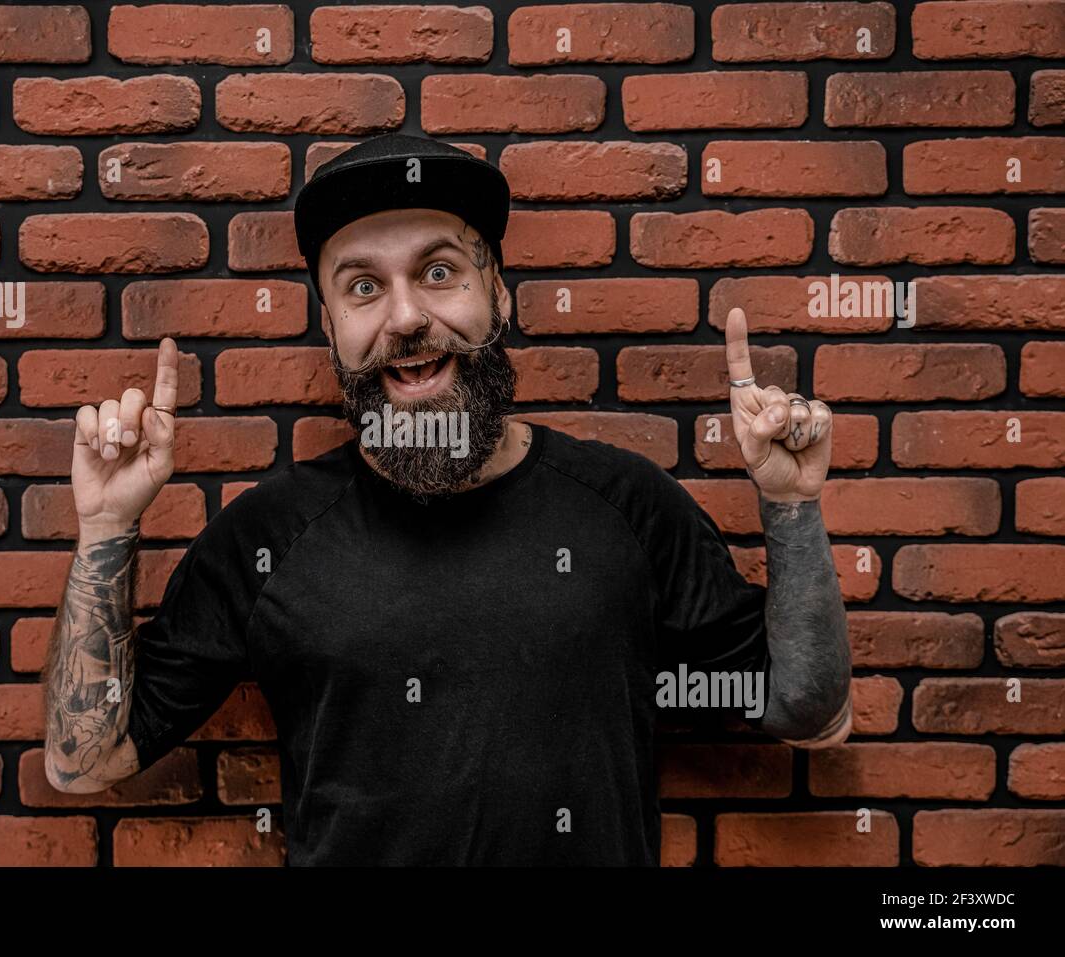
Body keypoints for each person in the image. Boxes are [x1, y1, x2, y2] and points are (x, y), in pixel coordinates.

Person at [42, 132, 852, 866]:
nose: (405, 318)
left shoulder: (628, 507)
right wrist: (107, 529)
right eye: (362, 287)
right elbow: (85, 761)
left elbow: (808, 712)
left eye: (438, 273)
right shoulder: (267, 535)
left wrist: (790, 505)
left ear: (497, 294)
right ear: (331, 330)